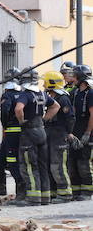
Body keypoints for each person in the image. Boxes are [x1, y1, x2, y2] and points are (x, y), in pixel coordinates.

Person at [13, 69, 59, 205]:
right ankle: (45, 197)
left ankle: (33, 198)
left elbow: (18, 109)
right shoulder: (42, 94)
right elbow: (56, 106)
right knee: (42, 165)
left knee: (29, 166)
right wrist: (44, 119)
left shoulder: (25, 94)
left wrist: (21, 121)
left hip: (29, 134)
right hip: (41, 132)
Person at [42, 71, 75, 202]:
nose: (43, 84)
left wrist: (68, 133)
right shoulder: (51, 97)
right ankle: (54, 192)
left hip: (59, 135)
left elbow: (70, 118)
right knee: (50, 164)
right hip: (51, 134)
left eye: (45, 81)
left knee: (58, 165)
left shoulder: (63, 98)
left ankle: (65, 193)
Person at [0, 67, 24, 197]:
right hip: (20, 133)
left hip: (10, 132)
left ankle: (20, 191)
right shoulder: (24, 93)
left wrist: (5, 125)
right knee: (1, 160)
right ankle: (1, 187)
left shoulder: (7, 95)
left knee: (11, 161)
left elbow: (4, 112)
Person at [68, 64, 93, 200]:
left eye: (75, 75)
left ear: (81, 77)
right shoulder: (75, 92)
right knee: (72, 163)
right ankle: (76, 191)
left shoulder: (91, 93)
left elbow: (92, 114)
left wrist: (87, 133)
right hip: (75, 133)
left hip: (86, 133)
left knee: (84, 164)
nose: (72, 78)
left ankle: (87, 192)